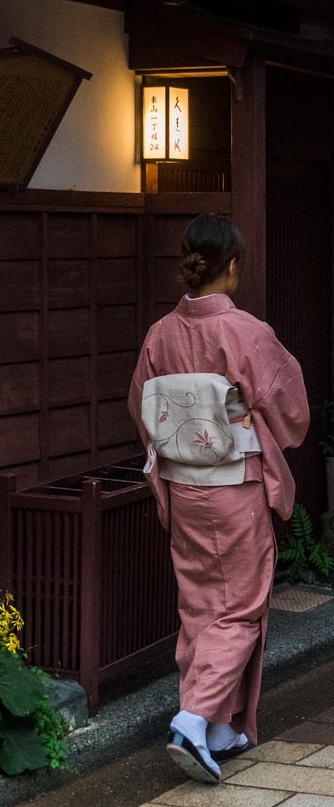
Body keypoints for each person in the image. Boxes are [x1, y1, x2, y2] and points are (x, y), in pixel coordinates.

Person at [127, 213, 309, 785]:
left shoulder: (161, 333)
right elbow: (292, 411)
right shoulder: (247, 332)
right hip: (234, 487)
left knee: (201, 605)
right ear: (231, 267)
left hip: (184, 487)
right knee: (242, 608)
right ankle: (194, 717)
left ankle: (223, 729)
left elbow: (141, 405)